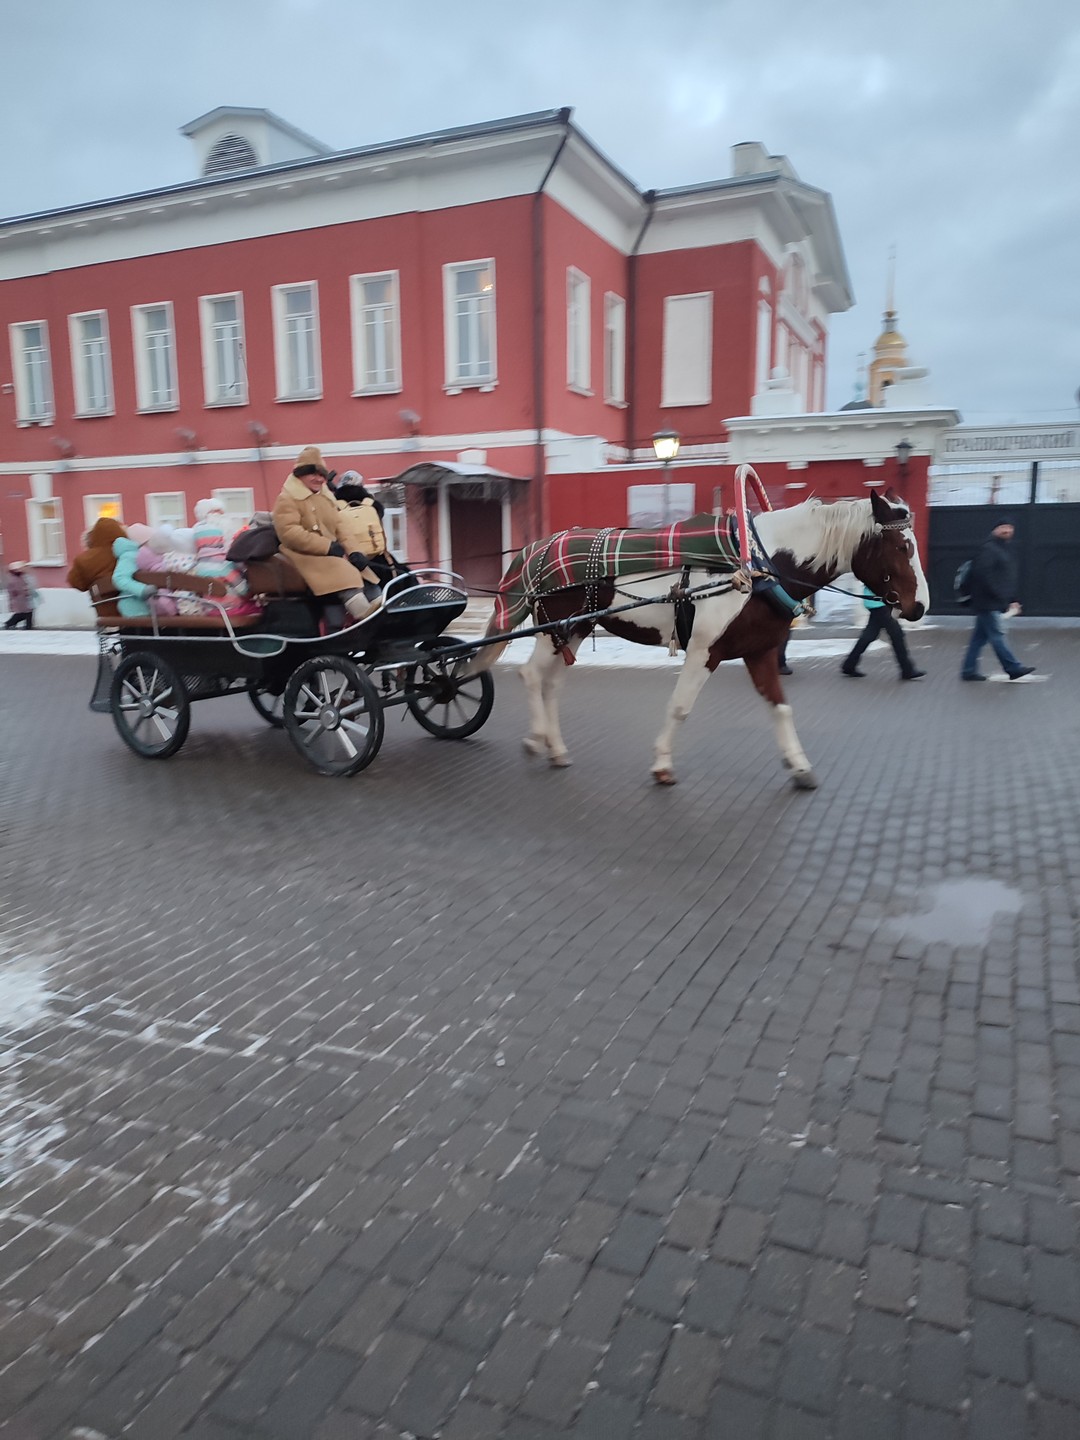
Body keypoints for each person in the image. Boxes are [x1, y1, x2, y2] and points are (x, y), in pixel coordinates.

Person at [272, 447, 380, 624]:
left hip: (329, 553)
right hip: (303, 554)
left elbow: (341, 527)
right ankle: (365, 616)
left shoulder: (326, 497)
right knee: (344, 573)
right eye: (312, 474)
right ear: (300, 475)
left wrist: (355, 552)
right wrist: (326, 546)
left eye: (322, 475)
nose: (319, 479)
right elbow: (289, 533)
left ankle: (381, 608)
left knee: (365, 571)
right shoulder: (288, 499)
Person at [960, 519, 1035, 681]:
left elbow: (1005, 578)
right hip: (987, 601)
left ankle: (968, 670)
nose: (1007, 530)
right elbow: (983, 576)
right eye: (1003, 527)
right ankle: (1013, 668)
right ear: (995, 530)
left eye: (1009, 527)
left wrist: (1012, 598)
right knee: (997, 635)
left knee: (978, 638)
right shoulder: (988, 549)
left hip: (993, 600)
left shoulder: (1005, 549)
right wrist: (1002, 597)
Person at [842, 585, 925, 680]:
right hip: (879, 603)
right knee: (896, 634)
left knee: (870, 635)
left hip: (877, 602)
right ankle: (907, 670)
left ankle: (849, 665)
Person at [67, 515, 128, 617]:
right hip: (134, 609)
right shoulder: (128, 552)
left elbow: (77, 584)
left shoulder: (83, 559)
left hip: (106, 612)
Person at [4, 562, 39, 629]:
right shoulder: (13, 579)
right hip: (19, 599)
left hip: (25, 599)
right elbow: (12, 591)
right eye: (18, 569)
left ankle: (28, 626)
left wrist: (27, 591)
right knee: (23, 614)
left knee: (27, 613)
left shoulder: (21, 577)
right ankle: (10, 623)